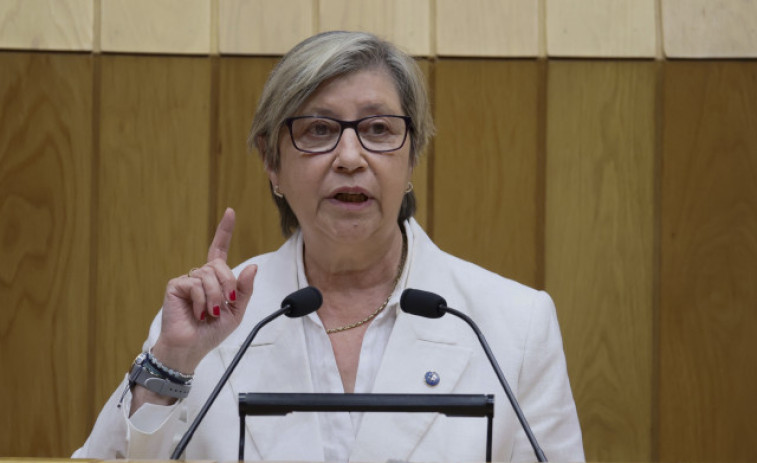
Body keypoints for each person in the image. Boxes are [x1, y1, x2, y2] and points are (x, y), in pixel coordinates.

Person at [74, 31, 584, 462]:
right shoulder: (208, 321)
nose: (349, 157)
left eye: (378, 129)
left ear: (411, 161)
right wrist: (172, 363)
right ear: (272, 164)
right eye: (319, 130)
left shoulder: (514, 325)